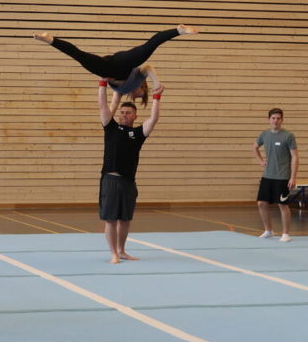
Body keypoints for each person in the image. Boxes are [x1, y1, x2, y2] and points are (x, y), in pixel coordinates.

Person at [97, 77, 163, 264]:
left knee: (125, 219)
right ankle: (113, 253)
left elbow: (154, 118)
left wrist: (157, 96)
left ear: (134, 116)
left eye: (128, 113)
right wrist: (102, 84)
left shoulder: (138, 134)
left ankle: (122, 250)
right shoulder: (110, 127)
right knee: (111, 219)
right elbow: (103, 105)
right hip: (110, 179)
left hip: (128, 181)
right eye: (122, 112)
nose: (124, 114)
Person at [33, 24, 197, 95]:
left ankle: (50, 40)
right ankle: (177, 31)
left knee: (79, 56)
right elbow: (148, 68)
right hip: (123, 63)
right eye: (141, 94)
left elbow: (112, 104)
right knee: (147, 48)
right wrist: (156, 84)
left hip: (105, 68)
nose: (137, 95)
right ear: (142, 87)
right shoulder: (138, 78)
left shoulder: (121, 92)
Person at [252, 108, 299, 243]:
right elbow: (254, 146)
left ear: (282, 120)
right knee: (261, 203)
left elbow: (295, 157)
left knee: (282, 204)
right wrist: (261, 161)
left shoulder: (288, 136)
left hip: (282, 176)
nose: (276, 121)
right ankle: (268, 230)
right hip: (267, 175)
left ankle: (286, 233)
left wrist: (293, 177)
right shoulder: (265, 135)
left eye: (278, 118)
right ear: (269, 120)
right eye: (273, 118)